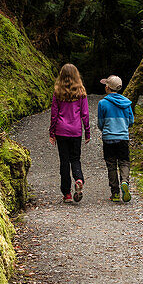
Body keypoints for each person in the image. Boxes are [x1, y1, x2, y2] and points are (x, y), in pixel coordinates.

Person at [49, 63, 91, 203]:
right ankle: (79, 179)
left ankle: (66, 194)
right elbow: (85, 114)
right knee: (75, 159)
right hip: (76, 131)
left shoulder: (57, 92)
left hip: (61, 131)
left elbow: (54, 114)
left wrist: (52, 132)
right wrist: (87, 132)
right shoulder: (81, 92)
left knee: (64, 162)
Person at [97, 75, 134, 203]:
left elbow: (100, 123)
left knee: (111, 164)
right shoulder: (127, 103)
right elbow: (131, 121)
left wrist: (105, 129)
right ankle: (125, 181)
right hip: (123, 137)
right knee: (124, 162)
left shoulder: (102, 103)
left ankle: (115, 193)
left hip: (108, 138)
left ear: (107, 87)